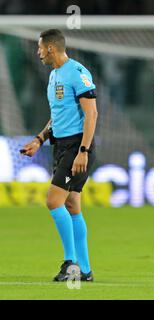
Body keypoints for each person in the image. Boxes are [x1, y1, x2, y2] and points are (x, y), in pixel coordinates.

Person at [21, 29, 97, 282]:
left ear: (51, 48)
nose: (38, 52)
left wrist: (83, 151)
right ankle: (84, 270)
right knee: (72, 204)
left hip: (77, 146)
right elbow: (58, 115)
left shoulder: (77, 73)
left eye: (40, 48)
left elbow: (92, 114)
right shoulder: (54, 76)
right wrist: (39, 139)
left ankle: (70, 263)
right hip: (61, 145)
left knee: (53, 201)